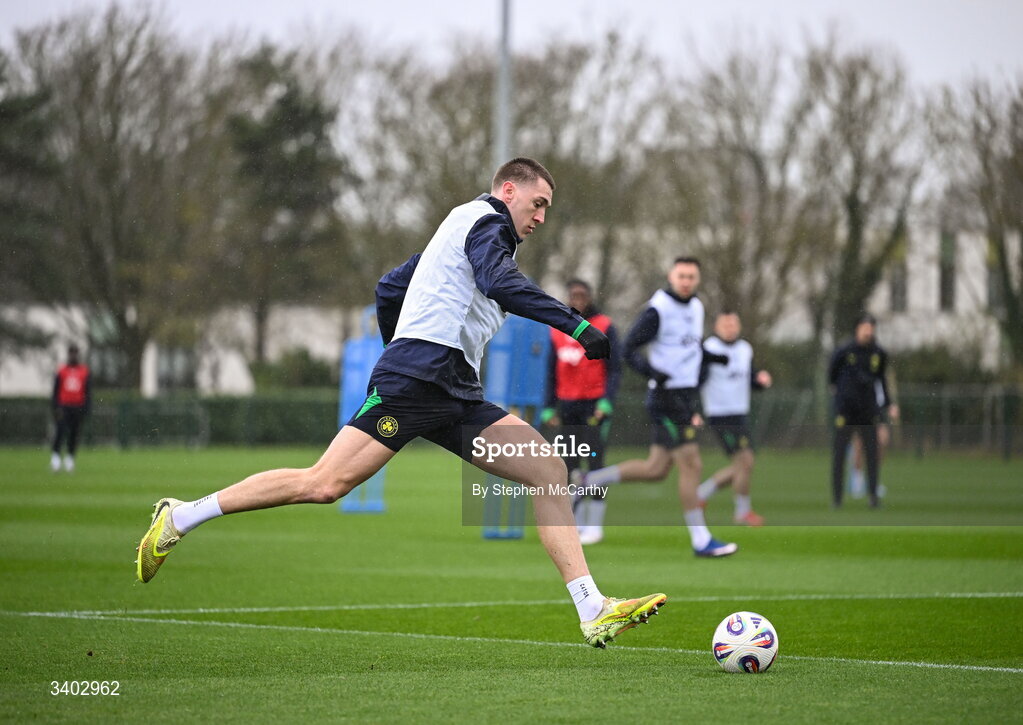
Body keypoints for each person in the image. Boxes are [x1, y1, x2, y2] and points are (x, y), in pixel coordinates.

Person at [135, 158, 666, 648]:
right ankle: (181, 516)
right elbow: (498, 282)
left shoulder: (456, 235)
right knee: (324, 484)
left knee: (548, 467)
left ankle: (591, 608)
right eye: (538, 203)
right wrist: (571, 323)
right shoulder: (486, 222)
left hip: (454, 388)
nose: (542, 216)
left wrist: (402, 339)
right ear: (509, 190)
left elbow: (390, 287)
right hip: (416, 382)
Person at [580, 258, 738, 557]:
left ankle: (589, 481)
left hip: (684, 397)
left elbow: (691, 347)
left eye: (692, 276)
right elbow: (627, 349)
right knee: (692, 464)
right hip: (666, 399)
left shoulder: (696, 307)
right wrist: (654, 374)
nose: (686, 281)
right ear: (671, 276)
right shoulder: (658, 309)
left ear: (698, 279)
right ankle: (700, 539)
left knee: (656, 469)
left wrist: (714, 359)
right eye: (681, 275)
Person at [540, 279, 621, 545]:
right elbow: (551, 372)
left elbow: (615, 369)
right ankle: (574, 523)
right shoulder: (558, 329)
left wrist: (606, 401)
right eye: (573, 295)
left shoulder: (605, 326)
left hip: (594, 406)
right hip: (567, 407)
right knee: (569, 465)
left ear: (589, 297)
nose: (578, 299)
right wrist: (549, 406)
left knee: (595, 464)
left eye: (582, 295)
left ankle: (594, 525)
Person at [696, 311, 772, 526]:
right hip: (720, 414)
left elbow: (749, 377)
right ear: (717, 327)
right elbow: (697, 380)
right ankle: (742, 512)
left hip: (740, 413)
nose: (729, 328)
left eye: (733, 324)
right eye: (725, 324)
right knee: (745, 461)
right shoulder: (709, 349)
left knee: (744, 464)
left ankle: (701, 494)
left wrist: (760, 380)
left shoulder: (744, 349)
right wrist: (692, 409)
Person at [829, 313, 895, 508]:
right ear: (857, 329)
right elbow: (832, 374)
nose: (868, 332)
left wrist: (888, 404)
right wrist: (840, 395)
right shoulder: (844, 351)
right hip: (846, 410)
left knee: (872, 453)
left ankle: (873, 497)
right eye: (864, 327)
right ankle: (837, 499)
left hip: (868, 410)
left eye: (870, 328)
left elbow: (881, 380)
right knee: (839, 455)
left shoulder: (878, 353)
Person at [848, 373, 899, 498]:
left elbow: (883, 391)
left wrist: (890, 405)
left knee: (882, 441)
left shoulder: (879, 372)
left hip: (878, 411)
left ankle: (873, 481)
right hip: (861, 410)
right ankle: (857, 480)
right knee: (860, 444)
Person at [50, 344, 90, 473]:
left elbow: (87, 392)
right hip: (64, 406)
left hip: (77, 407)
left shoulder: (84, 372)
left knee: (74, 434)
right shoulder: (62, 371)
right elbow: (55, 391)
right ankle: (55, 458)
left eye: (75, 353)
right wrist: (56, 407)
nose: (73, 356)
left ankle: (70, 459)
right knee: (60, 432)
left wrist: (86, 408)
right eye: (71, 353)